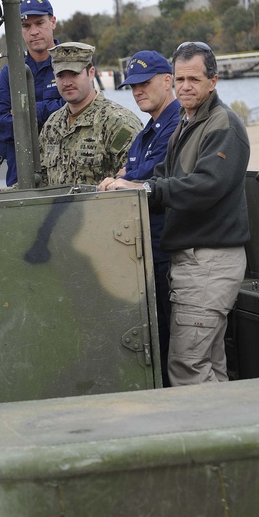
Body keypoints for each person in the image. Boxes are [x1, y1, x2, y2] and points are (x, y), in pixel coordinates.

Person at [101, 42, 249, 386]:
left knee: (187, 368)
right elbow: (165, 175)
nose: (185, 86)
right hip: (195, 261)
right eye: (181, 78)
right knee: (209, 364)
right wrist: (127, 185)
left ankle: (209, 438)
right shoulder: (188, 124)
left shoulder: (222, 124)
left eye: (193, 79)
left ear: (213, 81)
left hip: (209, 261)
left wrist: (144, 189)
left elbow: (206, 186)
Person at [99, 50, 179, 384]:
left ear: (167, 80)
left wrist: (128, 178)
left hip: (165, 249)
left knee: (166, 339)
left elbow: (154, 172)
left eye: (145, 83)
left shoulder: (176, 124)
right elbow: (130, 169)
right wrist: (127, 177)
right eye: (132, 85)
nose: (137, 91)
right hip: (144, 249)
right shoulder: (150, 130)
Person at [38, 42, 141, 187]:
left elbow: (135, 180)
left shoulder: (118, 123)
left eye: (74, 74)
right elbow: (39, 181)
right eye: (60, 75)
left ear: (91, 73)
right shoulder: (52, 125)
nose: (67, 82)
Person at [0, 0, 65, 184]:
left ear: (53, 22)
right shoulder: (10, 73)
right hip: (22, 176)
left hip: (66, 173)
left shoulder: (71, 64)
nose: (34, 32)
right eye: (26, 26)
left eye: (40, 23)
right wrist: (53, 109)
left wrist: (25, 112)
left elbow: (77, 111)